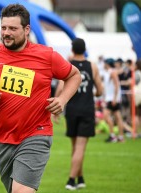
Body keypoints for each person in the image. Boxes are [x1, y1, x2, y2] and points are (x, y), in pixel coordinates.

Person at [0, 4, 81, 193]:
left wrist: (62, 100)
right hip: (1, 138)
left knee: (20, 191)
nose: (6, 33)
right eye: (3, 28)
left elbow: (74, 75)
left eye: (13, 29)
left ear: (26, 30)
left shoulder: (46, 55)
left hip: (36, 134)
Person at [57, 38, 103, 190]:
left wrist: (57, 109)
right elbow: (100, 91)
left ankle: (80, 178)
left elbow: (59, 89)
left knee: (75, 147)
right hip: (87, 110)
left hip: (72, 110)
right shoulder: (93, 66)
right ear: (84, 50)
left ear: (72, 50)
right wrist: (92, 93)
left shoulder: (68, 66)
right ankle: (71, 180)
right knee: (80, 148)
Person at [103, 58, 125, 142]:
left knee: (106, 115)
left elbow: (117, 86)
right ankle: (120, 137)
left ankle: (113, 136)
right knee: (118, 117)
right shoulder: (109, 72)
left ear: (107, 64)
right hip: (111, 98)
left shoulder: (112, 72)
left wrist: (115, 99)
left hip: (112, 98)